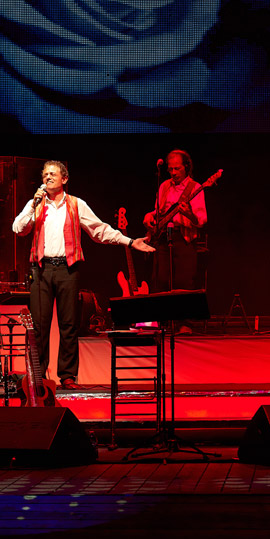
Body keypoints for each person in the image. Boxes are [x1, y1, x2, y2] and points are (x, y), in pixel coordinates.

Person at [12, 160, 155, 390]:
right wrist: (32, 206)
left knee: (69, 324)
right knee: (38, 327)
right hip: (41, 270)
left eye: (53, 174)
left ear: (64, 179)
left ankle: (68, 376)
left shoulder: (76, 204)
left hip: (67, 269)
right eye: (45, 174)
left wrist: (129, 241)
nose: (48, 177)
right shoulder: (35, 204)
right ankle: (38, 378)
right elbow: (18, 229)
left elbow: (99, 230)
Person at [143, 149, 207, 293]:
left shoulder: (195, 188)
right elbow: (159, 212)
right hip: (163, 239)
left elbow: (202, 220)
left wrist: (189, 214)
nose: (173, 172)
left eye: (177, 168)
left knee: (182, 284)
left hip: (184, 240)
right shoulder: (164, 186)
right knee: (160, 282)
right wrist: (149, 215)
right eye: (170, 169)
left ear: (186, 167)